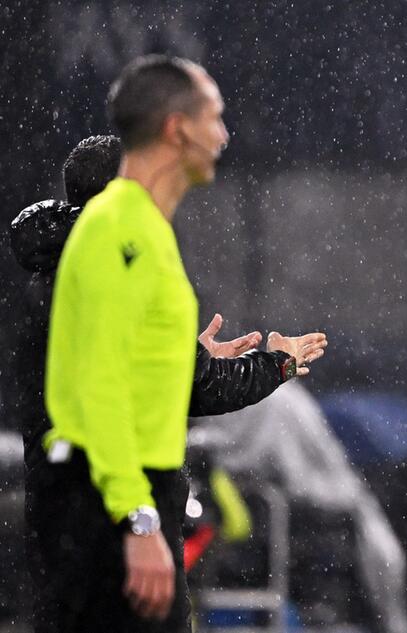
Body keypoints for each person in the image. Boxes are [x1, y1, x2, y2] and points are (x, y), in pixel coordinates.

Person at [38, 55, 305, 633]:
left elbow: (136, 375)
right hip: (110, 503)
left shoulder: (141, 226)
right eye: (214, 116)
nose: (224, 134)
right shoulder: (120, 229)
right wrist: (137, 519)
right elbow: (98, 383)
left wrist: (203, 362)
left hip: (124, 497)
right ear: (176, 129)